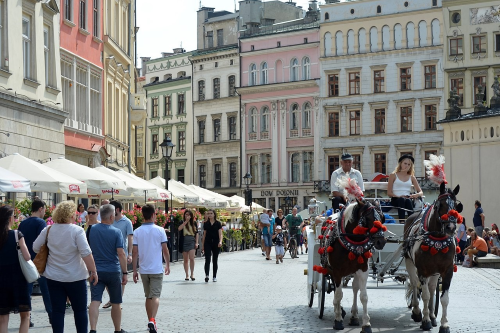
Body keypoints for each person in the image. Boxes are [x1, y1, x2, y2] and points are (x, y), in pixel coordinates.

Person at [33, 200, 98, 333]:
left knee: (57, 311)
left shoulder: (48, 229)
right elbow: (86, 253)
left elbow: (35, 247)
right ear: (71, 215)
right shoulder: (77, 230)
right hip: (76, 277)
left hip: (53, 277)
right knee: (79, 311)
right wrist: (93, 271)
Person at [88, 204, 128, 333]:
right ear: (111, 216)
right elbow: (121, 254)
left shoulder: (91, 230)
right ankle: (117, 330)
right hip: (113, 270)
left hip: (96, 271)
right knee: (116, 302)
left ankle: (93, 329)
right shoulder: (116, 232)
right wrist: (125, 272)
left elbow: (86, 251)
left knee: (95, 300)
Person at [132, 204, 170, 333]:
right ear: (154, 215)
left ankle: (150, 321)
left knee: (148, 296)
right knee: (155, 296)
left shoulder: (137, 231)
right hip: (156, 269)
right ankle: (152, 320)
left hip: (143, 269)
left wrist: (135, 270)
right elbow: (165, 250)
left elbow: (134, 252)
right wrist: (168, 265)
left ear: (142, 215)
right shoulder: (160, 230)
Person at [17, 199, 52, 327]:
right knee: (46, 290)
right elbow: (43, 242)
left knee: (27, 290)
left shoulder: (22, 223)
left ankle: (27, 317)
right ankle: (51, 316)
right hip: (39, 261)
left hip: (26, 261)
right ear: (41, 209)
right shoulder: (40, 222)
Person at [0, 205, 32, 333]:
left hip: (1, 280)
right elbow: (27, 256)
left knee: (2, 319)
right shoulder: (16, 234)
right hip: (18, 279)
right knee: (25, 316)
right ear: (9, 219)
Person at [108, 201, 133, 309]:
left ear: (117, 210)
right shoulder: (110, 220)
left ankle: (118, 300)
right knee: (108, 278)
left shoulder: (127, 222)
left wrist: (130, 254)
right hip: (110, 253)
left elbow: (130, 238)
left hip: (122, 253)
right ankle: (113, 299)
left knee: (122, 277)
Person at [387, 155, 423, 221]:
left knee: (407, 200)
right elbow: (389, 193)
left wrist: (416, 195)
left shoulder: (412, 177)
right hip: (396, 199)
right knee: (402, 200)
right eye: (405, 163)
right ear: (401, 164)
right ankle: (402, 221)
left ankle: (412, 221)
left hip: (407, 199)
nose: (406, 166)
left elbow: (421, 192)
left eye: (409, 164)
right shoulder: (393, 175)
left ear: (410, 166)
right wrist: (399, 196)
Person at [201, 209, 223, 282]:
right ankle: (207, 275)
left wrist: (220, 241)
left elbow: (220, 234)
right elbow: (204, 235)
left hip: (216, 242)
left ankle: (214, 276)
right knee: (207, 259)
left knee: (215, 260)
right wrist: (203, 245)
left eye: (211, 213)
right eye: (208, 213)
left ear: (214, 214)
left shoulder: (218, 223)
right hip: (208, 242)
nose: (209, 215)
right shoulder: (206, 224)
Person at [178, 210, 198, 281]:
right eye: (186, 214)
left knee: (192, 258)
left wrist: (196, 242)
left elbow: (197, 233)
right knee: (185, 259)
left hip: (191, 240)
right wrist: (186, 221)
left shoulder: (194, 223)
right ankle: (187, 274)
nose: (187, 216)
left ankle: (192, 274)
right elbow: (179, 229)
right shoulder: (182, 222)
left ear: (191, 216)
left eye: (189, 215)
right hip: (184, 240)